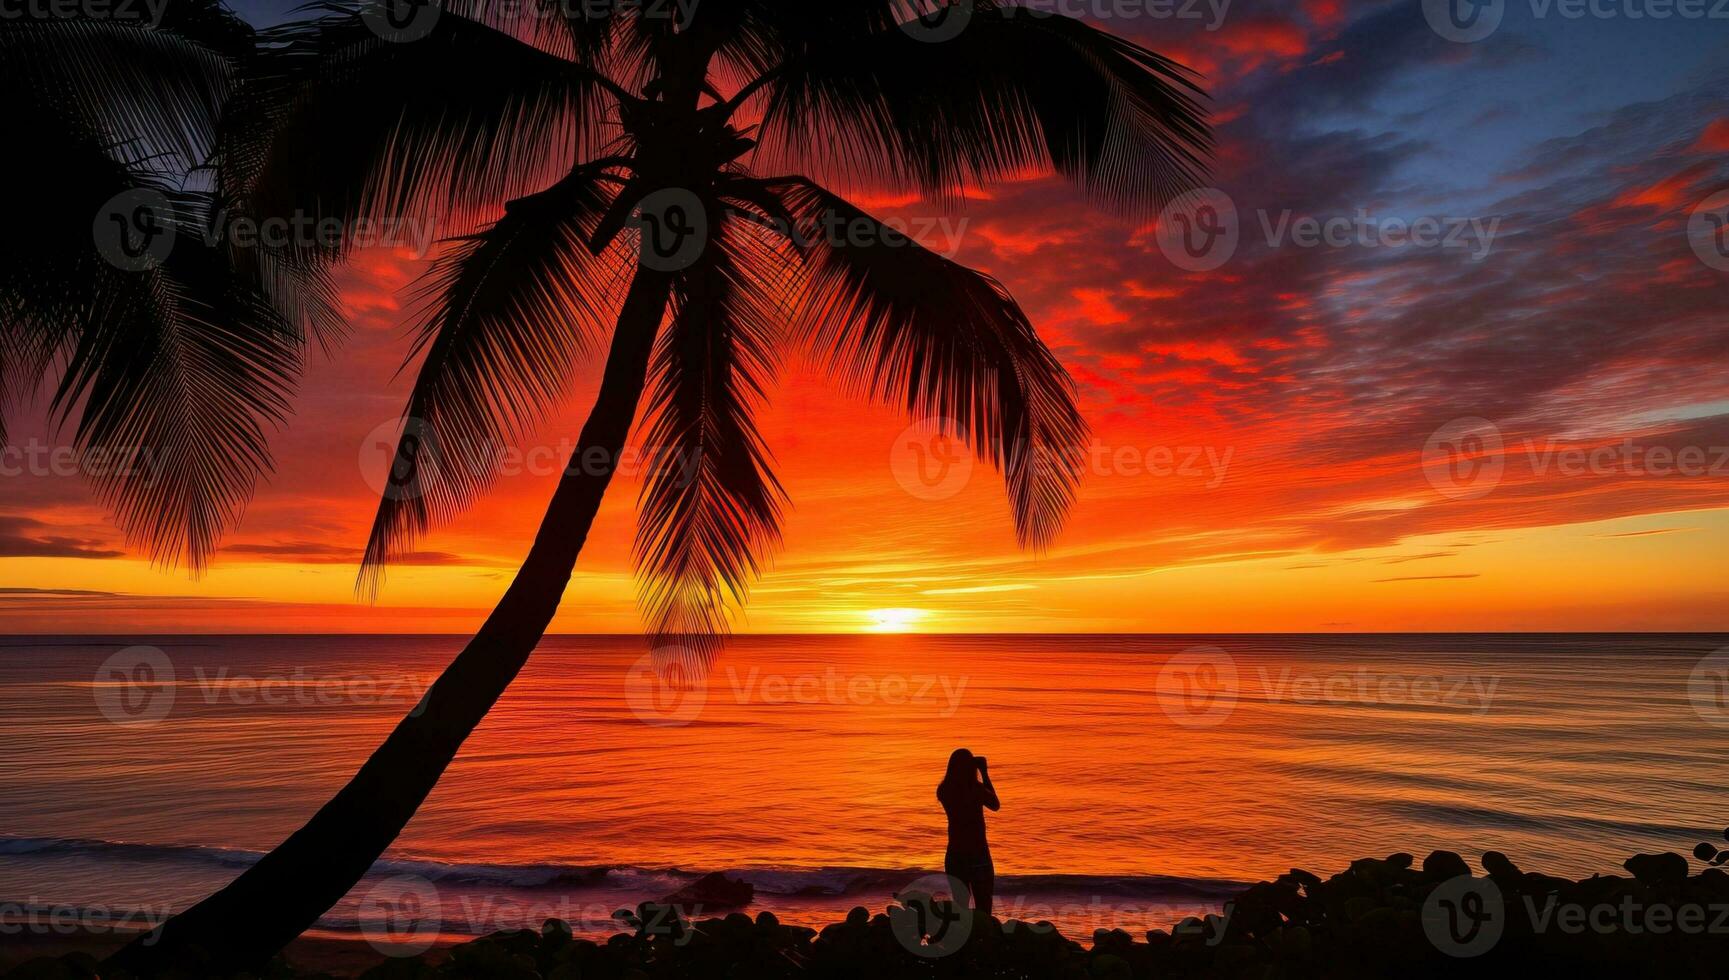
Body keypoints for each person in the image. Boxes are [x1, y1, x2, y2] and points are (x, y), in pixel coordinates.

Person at [936, 747, 1000, 916]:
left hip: (955, 854)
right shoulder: (976, 790)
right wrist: (984, 772)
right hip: (978, 853)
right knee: (984, 908)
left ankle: (963, 940)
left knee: (960, 907)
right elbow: (995, 804)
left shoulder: (944, 790)